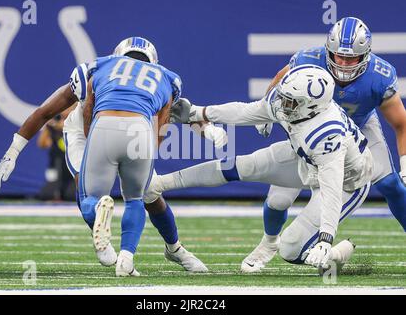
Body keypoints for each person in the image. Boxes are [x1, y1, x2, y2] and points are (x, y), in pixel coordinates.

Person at [0, 37, 227, 274]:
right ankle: (117, 248)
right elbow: (183, 112)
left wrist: (14, 150)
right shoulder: (163, 77)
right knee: (125, 192)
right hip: (88, 133)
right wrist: (207, 131)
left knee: (144, 192)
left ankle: (174, 249)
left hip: (109, 130)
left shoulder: (98, 67)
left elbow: (44, 112)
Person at [146, 65, 373, 271]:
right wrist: (199, 112)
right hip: (306, 157)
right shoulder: (293, 103)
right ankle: (161, 184)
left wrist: (325, 239)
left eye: (290, 102)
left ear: (311, 107)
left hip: (347, 182)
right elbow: (244, 112)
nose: (282, 104)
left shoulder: (326, 134)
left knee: (291, 249)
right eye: (284, 97)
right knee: (250, 173)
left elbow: (332, 190)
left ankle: (333, 255)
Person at [245, 17, 406, 271]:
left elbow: (401, 123)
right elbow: (281, 77)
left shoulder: (378, 76)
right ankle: (268, 242)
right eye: (338, 57)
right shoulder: (308, 59)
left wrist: (405, 161)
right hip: (313, 131)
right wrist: (266, 106)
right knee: (278, 200)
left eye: (351, 59)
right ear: (327, 51)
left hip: (360, 127)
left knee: (391, 183)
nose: (343, 63)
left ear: (365, 55)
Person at [36, 110, 76, 201]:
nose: (67, 110)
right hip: (55, 166)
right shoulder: (53, 124)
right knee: (46, 195)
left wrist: (63, 127)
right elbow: (42, 144)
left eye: (70, 107)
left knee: (70, 195)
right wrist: (49, 127)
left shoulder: (79, 122)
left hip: (72, 170)